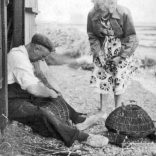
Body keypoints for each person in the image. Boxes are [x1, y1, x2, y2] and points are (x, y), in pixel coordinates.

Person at [7, 33, 108, 147]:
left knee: (54, 94)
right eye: (42, 56)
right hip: (7, 99)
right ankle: (81, 137)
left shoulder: (30, 54)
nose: (43, 59)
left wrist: (53, 90)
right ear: (36, 48)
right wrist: (50, 93)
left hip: (20, 92)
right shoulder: (18, 56)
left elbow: (42, 76)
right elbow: (33, 89)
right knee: (41, 113)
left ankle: (78, 119)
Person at [87, 0, 139, 110]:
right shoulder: (92, 14)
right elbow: (92, 36)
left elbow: (131, 37)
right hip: (102, 48)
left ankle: (117, 109)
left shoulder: (124, 12)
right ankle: (103, 110)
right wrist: (99, 54)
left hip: (122, 48)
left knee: (118, 78)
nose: (111, 6)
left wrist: (121, 56)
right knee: (102, 77)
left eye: (113, 3)